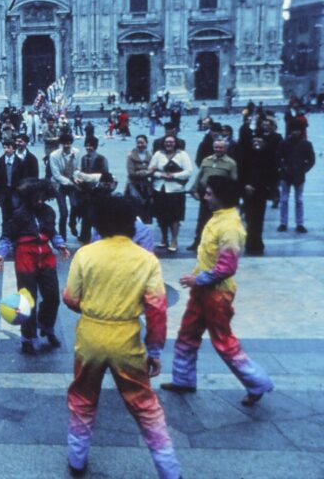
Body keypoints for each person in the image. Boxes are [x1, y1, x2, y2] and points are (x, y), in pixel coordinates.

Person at [63, 195, 180, 478]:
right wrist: (153, 350)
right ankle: (169, 468)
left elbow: (70, 298)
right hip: (126, 338)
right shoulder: (146, 260)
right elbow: (156, 310)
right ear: (132, 223)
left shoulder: (86, 254)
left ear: (99, 222)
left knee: (83, 396)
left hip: (90, 336)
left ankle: (77, 459)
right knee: (144, 404)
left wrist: (93, 307)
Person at [161, 176, 275, 407]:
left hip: (216, 294)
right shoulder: (218, 219)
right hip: (202, 291)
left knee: (223, 341)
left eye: (210, 193)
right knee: (187, 335)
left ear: (222, 197)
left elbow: (227, 267)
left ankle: (257, 383)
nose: (205, 196)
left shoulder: (231, 227)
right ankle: (183, 379)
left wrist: (199, 279)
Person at [0, 179, 69, 354]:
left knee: (52, 297)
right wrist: (1, 254)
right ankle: (28, 337)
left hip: (46, 258)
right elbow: (7, 236)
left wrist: (60, 244)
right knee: (27, 301)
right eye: (36, 196)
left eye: (42, 196)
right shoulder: (19, 214)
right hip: (26, 258)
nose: (40, 200)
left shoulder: (49, 212)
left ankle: (46, 326)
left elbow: (52, 232)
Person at [148, 135, 193, 252]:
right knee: (161, 216)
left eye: (171, 142)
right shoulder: (158, 154)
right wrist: (161, 175)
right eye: (167, 142)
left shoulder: (182, 155)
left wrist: (174, 176)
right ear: (163, 143)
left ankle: (174, 240)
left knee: (174, 217)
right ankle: (164, 239)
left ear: (176, 143)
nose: (169, 144)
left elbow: (188, 172)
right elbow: (151, 170)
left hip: (176, 190)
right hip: (160, 188)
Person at [239, 135, 277, 255]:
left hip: (261, 191)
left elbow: (273, 174)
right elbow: (241, 172)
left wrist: (268, 187)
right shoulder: (246, 156)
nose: (256, 143)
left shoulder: (268, 156)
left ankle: (257, 242)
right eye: (254, 141)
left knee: (259, 218)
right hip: (248, 191)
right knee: (249, 217)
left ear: (264, 142)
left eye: (259, 140)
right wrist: (245, 185)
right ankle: (250, 242)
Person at [276, 122, 315, 233]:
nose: (295, 132)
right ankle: (283, 223)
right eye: (294, 130)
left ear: (300, 131)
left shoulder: (306, 144)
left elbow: (311, 159)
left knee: (299, 200)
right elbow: (277, 157)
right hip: (286, 175)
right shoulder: (283, 143)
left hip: (298, 175)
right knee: (284, 200)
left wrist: (304, 169)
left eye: (297, 130)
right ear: (290, 131)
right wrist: (282, 168)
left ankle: (300, 223)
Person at [75, 137, 109, 244]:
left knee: (97, 214)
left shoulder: (102, 159)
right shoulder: (84, 158)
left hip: (98, 191)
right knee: (85, 214)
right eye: (87, 145)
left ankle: (100, 235)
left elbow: (105, 175)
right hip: (85, 191)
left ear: (95, 147)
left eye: (91, 146)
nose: (88, 148)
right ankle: (85, 236)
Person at [50, 133, 80, 239]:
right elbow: (56, 175)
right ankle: (62, 236)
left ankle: (72, 224)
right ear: (61, 144)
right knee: (63, 212)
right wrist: (69, 182)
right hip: (59, 185)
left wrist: (76, 177)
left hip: (72, 182)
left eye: (69, 144)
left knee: (75, 205)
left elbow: (77, 168)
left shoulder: (76, 152)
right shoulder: (54, 155)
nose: (66, 146)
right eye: (64, 144)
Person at [125, 135, 153, 224]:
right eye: (138, 143)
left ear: (146, 143)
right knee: (133, 209)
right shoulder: (131, 155)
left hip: (146, 187)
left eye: (142, 142)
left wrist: (145, 172)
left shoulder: (150, 155)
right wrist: (146, 172)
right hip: (133, 185)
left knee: (146, 210)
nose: (140, 145)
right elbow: (131, 172)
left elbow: (154, 169)